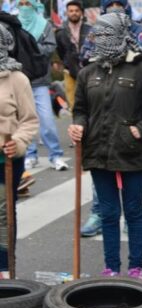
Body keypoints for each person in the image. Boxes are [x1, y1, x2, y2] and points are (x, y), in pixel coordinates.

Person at [68, 12, 142, 279]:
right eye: (97, 35)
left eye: (106, 34)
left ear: (119, 35)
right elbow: (80, 109)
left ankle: (136, 267)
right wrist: (78, 124)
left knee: (133, 211)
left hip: (131, 151)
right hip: (98, 152)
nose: (101, 39)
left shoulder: (141, 69)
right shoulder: (87, 72)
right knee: (109, 213)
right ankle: (111, 268)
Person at [79, 0, 142, 238]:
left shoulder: (138, 28)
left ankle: (131, 217)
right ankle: (100, 212)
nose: (115, 9)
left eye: (119, 5)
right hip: (99, 97)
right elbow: (85, 55)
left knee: (129, 162)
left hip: (128, 98)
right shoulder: (95, 28)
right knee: (101, 158)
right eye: (111, 5)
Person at [0, 23, 39, 280]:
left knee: (3, 214)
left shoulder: (17, 78)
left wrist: (19, 141)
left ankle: (4, 268)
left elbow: (29, 120)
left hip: (7, 157)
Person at [17, 0, 68, 172]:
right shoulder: (15, 24)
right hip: (20, 80)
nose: (24, 7)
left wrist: (31, 47)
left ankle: (56, 155)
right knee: (25, 120)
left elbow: (50, 47)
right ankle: (30, 155)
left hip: (40, 79)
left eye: (27, 3)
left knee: (47, 120)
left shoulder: (43, 24)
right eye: (21, 3)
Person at [55, 0, 90, 108]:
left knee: (90, 101)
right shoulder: (60, 33)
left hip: (88, 70)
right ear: (66, 13)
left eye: (76, 11)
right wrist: (66, 63)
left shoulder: (90, 30)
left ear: (81, 13)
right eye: (71, 11)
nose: (74, 13)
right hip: (69, 71)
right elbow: (60, 51)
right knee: (73, 103)